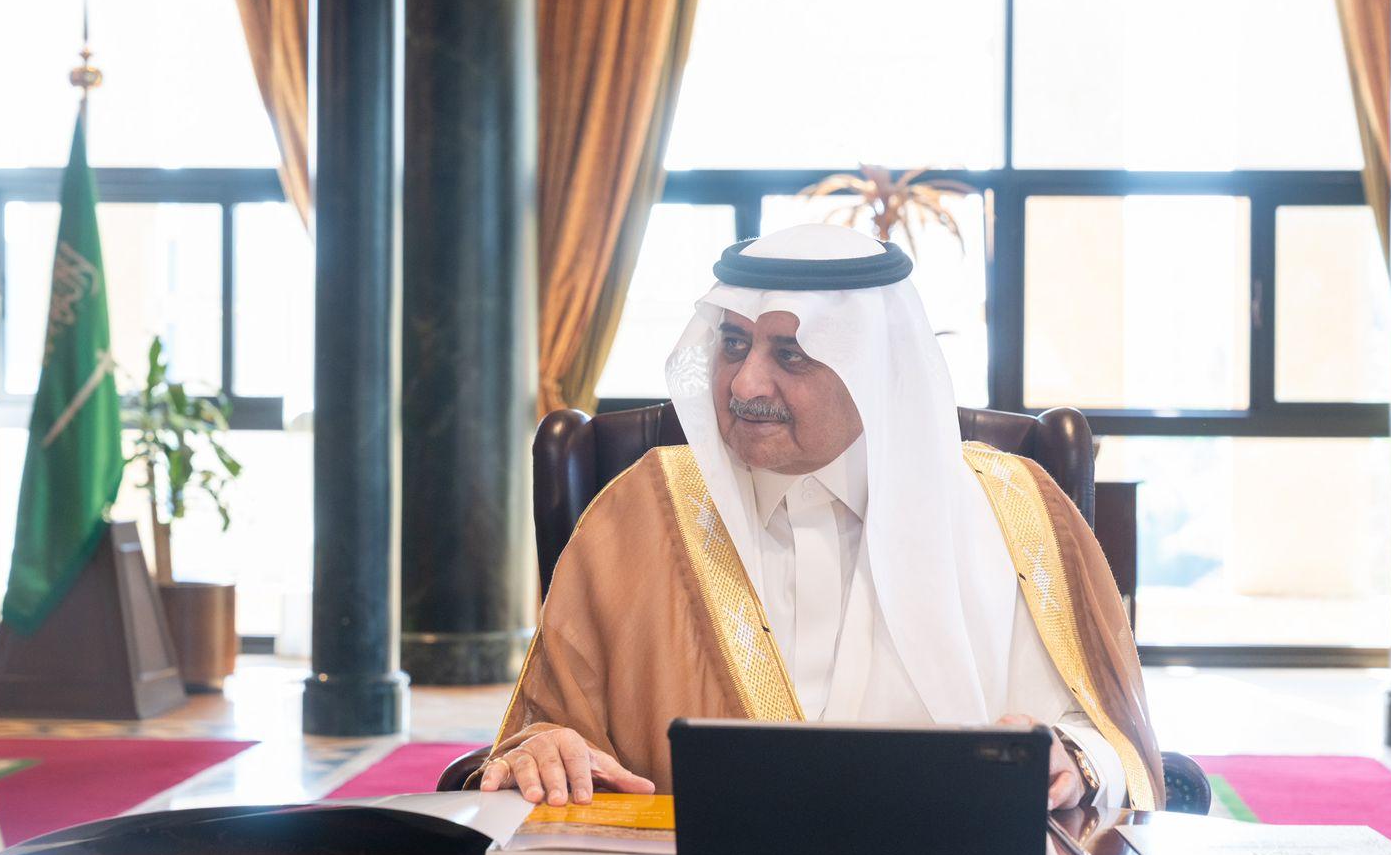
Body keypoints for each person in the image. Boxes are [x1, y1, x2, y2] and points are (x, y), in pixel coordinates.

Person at [473, 224, 1163, 810]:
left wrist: (1075, 760)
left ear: (870, 367)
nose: (746, 383)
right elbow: (547, 729)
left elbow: (1109, 740)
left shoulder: (1016, 513)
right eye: (734, 345)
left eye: (792, 354)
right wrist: (546, 749)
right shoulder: (638, 512)